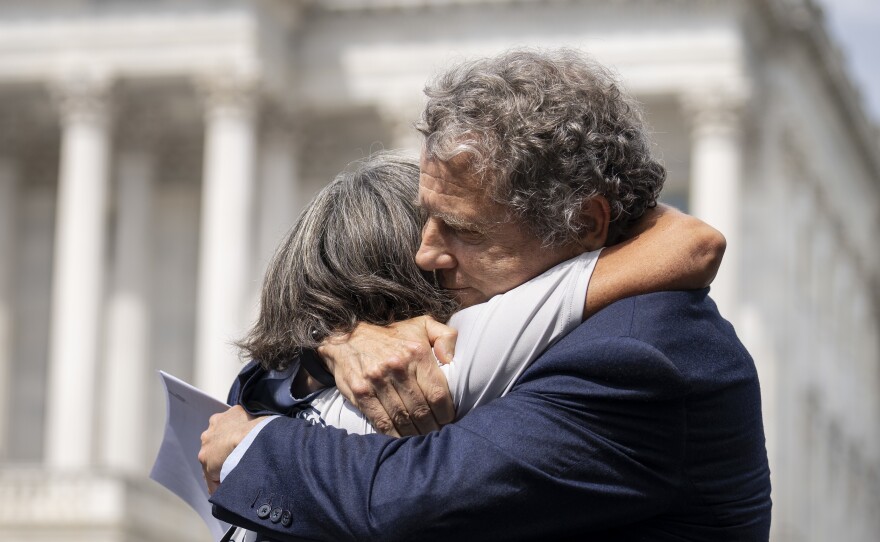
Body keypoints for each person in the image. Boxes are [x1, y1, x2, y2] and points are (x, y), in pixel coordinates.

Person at [201, 49, 771, 541]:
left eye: (464, 231)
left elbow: (410, 498)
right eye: (428, 219)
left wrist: (253, 447)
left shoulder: (638, 356)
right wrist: (338, 340)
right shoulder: (553, 317)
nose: (427, 255)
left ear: (584, 222)